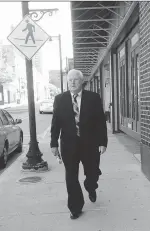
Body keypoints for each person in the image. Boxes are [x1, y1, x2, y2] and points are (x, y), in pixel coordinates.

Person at [50, 69, 108, 220]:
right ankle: (75, 207)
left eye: (75, 79)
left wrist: (103, 142)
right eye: (70, 80)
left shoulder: (93, 98)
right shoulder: (60, 99)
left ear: (82, 81)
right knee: (71, 177)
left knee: (92, 172)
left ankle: (91, 186)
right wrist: (53, 144)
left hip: (90, 144)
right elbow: (55, 123)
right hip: (69, 145)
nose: (72, 82)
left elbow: (101, 122)